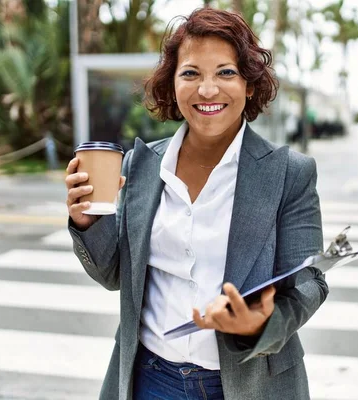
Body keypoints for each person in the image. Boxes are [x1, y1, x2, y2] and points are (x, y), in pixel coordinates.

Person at [65, 7, 328, 400]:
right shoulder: (141, 163)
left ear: (249, 85)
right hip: (150, 379)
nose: (207, 90)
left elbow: (309, 282)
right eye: (191, 73)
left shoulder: (290, 172)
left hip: (248, 383)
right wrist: (87, 222)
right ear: (172, 84)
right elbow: (115, 275)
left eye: (225, 72)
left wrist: (260, 322)